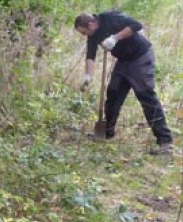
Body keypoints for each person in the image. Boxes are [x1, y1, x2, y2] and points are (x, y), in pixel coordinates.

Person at [74, 11, 173, 155]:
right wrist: (88, 75)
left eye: (84, 32)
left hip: (140, 57)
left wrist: (115, 38)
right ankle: (106, 132)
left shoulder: (111, 18)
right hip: (123, 61)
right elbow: (91, 54)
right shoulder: (93, 34)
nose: (85, 36)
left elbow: (136, 25)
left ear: (91, 24)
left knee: (146, 95)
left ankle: (165, 142)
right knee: (113, 93)